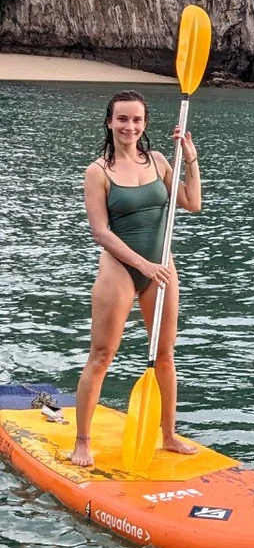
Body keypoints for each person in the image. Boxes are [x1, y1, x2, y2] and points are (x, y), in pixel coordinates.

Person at [71, 90, 202, 468]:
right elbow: (100, 232)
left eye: (137, 120)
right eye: (123, 119)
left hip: (162, 267)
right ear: (109, 122)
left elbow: (192, 203)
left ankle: (169, 435)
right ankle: (82, 441)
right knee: (101, 355)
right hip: (121, 270)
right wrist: (143, 266)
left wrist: (190, 159)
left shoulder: (159, 160)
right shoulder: (98, 172)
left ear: (145, 124)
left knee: (165, 354)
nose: (130, 126)